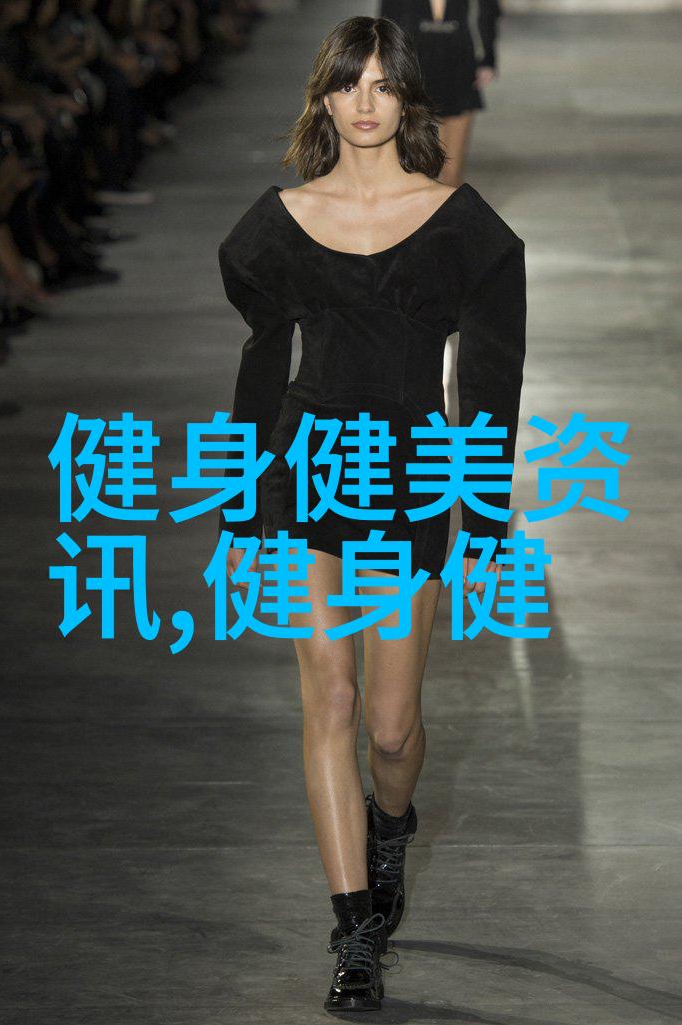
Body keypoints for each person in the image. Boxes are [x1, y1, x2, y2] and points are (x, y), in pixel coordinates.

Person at [217, 14, 526, 1013]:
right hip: (304, 473)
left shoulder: (459, 225)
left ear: (406, 100)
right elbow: (261, 370)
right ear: (323, 96)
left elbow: (487, 386)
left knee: (391, 730)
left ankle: (389, 828)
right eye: (347, 82)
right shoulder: (279, 220)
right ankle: (353, 928)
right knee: (333, 700)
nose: (363, 101)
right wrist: (240, 511)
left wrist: (483, 524)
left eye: (382, 84)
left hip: (406, 476)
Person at [379, 0, 503, 185]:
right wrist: (388, 67)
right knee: (415, 166)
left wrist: (488, 60)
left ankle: (448, 202)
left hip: (459, 66)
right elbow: (387, 24)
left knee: (452, 171)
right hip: (415, 69)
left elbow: (488, 11)